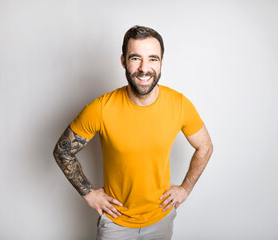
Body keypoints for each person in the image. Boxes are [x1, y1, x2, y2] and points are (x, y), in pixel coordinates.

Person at [53, 25, 213, 240]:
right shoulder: (101, 108)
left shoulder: (180, 105)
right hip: (115, 223)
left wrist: (185, 189)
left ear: (161, 62)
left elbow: (205, 146)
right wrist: (89, 194)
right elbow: (63, 151)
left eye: (153, 59)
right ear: (123, 61)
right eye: (135, 58)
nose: (144, 68)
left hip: (161, 220)